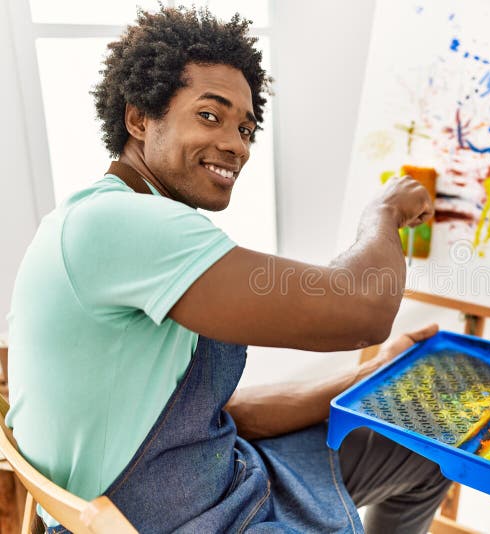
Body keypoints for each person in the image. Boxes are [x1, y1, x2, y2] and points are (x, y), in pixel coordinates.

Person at [6, 6, 451, 533]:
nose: (236, 145)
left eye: (246, 128)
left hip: (214, 479)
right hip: (183, 517)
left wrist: (366, 377)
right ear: (138, 119)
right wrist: (384, 212)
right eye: (210, 116)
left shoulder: (104, 216)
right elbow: (362, 310)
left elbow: (218, 412)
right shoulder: (127, 225)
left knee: (427, 450)